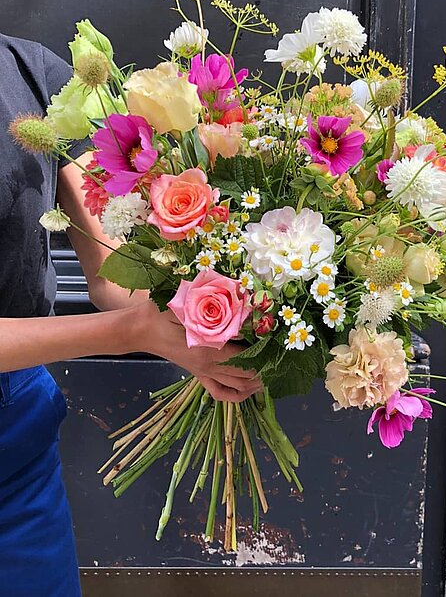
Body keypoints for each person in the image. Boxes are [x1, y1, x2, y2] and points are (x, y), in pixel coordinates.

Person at [0, 33, 261, 596]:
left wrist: (213, 312)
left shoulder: (27, 72)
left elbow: (111, 269)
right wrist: (134, 331)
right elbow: (124, 317)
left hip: (15, 442)